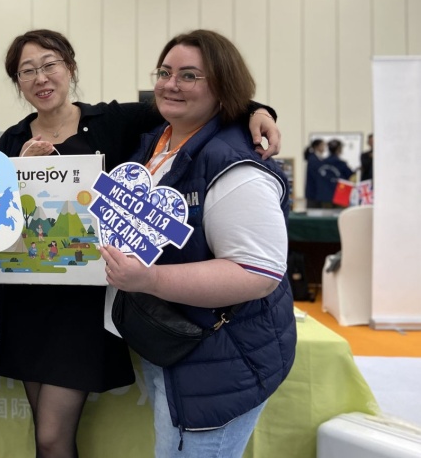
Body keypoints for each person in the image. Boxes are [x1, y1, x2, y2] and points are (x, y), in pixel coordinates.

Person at [0, 29, 281, 458]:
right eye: (27, 71)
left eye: (50, 64)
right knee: (44, 430)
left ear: (70, 67)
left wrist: (258, 111)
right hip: (27, 300)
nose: (41, 77)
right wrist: (20, 173)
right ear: (17, 81)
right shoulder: (11, 141)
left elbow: (195, 105)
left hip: (84, 306)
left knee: (52, 437)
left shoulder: (115, 122)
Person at [100, 29, 295, 457]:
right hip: (175, 344)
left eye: (189, 75)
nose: (171, 84)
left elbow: (257, 273)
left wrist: (148, 279)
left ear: (223, 84)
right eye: (164, 72)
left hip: (220, 359)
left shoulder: (235, 166)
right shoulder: (158, 142)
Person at [317, 138, 354, 206]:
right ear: (339, 149)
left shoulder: (321, 163)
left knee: (326, 212)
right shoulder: (341, 163)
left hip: (325, 195)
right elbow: (350, 176)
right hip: (340, 195)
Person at [303, 138, 325, 208]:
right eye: (322, 145)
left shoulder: (318, 158)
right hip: (313, 192)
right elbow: (315, 175)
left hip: (317, 192)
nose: (324, 148)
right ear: (317, 146)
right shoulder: (313, 159)